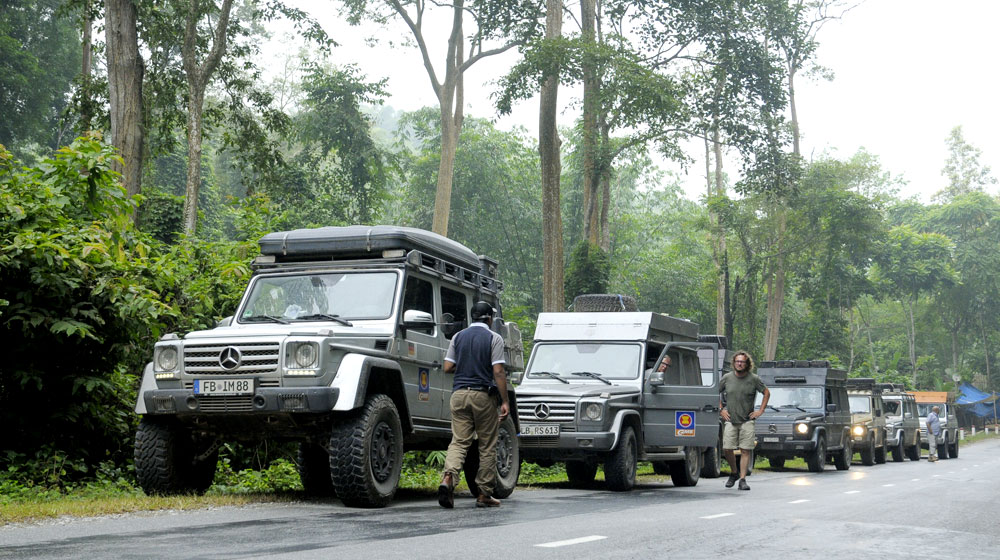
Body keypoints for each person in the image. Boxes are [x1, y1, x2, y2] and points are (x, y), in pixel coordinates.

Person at [437, 301, 510, 508]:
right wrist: (505, 401)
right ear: (489, 318)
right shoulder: (493, 338)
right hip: (482, 397)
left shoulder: (458, 336)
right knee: (487, 445)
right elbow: (498, 371)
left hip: (458, 395)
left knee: (459, 441)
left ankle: (448, 478)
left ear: (472, 318)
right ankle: (484, 493)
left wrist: (466, 365)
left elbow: (448, 366)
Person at [719, 351, 770, 491]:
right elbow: (714, 391)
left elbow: (766, 392)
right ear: (734, 363)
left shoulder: (753, 379)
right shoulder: (727, 378)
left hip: (747, 420)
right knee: (727, 448)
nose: (740, 364)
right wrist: (721, 409)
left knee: (745, 450)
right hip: (730, 419)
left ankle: (742, 479)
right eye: (737, 361)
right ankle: (734, 472)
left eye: (742, 362)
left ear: (747, 364)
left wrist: (760, 411)